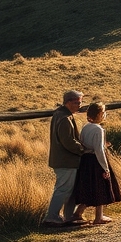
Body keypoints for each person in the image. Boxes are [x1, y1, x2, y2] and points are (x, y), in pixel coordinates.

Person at [43, 90, 89, 227]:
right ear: (68, 102)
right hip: (66, 160)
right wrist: (83, 149)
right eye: (77, 103)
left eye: (80, 102)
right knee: (63, 189)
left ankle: (69, 216)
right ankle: (52, 217)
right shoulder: (64, 118)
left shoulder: (60, 114)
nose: (79, 106)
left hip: (63, 160)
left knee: (68, 189)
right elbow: (68, 142)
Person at [72, 103, 121, 225]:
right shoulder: (99, 130)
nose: (105, 114)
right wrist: (105, 168)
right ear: (99, 114)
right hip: (96, 161)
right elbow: (99, 149)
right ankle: (98, 217)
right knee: (100, 186)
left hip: (86, 160)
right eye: (103, 112)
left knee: (89, 186)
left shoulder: (86, 127)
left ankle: (78, 213)